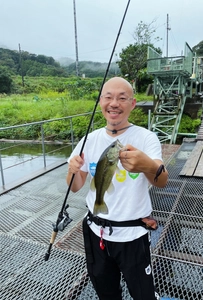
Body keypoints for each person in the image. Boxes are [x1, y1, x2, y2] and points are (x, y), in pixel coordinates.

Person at [66, 77, 168, 300]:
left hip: (133, 235)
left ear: (132, 104)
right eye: (108, 97)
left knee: (143, 294)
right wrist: (72, 170)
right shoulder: (88, 140)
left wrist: (148, 165)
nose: (114, 103)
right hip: (95, 231)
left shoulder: (146, 138)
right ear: (100, 101)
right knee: (106, 292)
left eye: (122, 98)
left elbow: (161, 181)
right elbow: (75, 187)